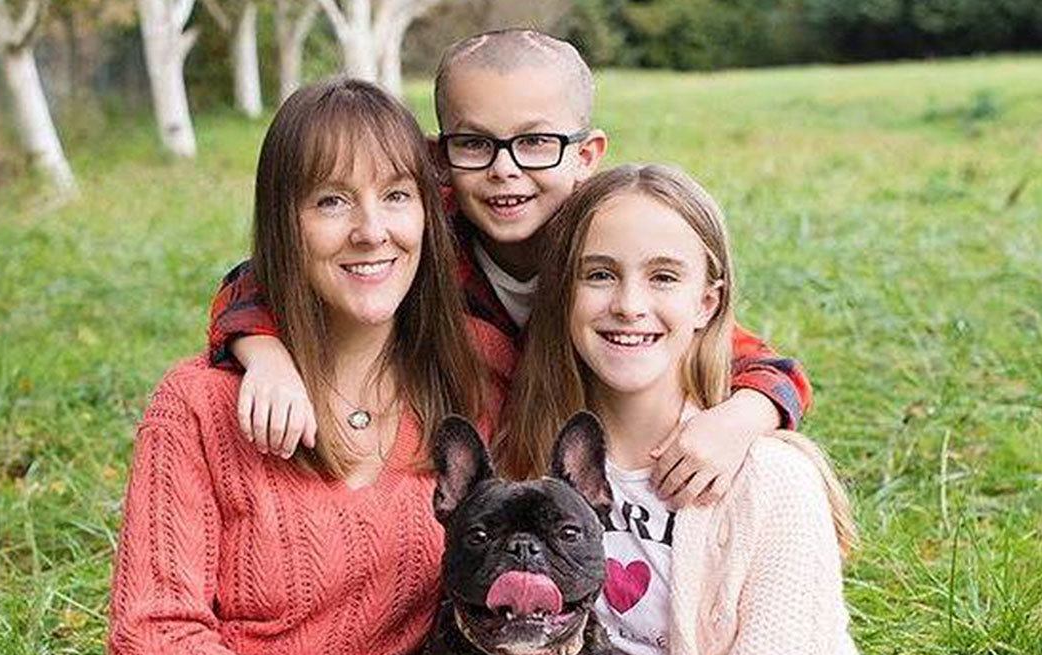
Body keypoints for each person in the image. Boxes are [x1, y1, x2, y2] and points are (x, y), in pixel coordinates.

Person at [0, 78, 508, 655]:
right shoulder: (200, 404)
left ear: (429, 216)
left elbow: (649, 330)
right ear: (284, 226)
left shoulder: (480, 389)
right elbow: (150, 642)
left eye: (397, 197)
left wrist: (744, 399)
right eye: (332, 202)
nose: (372, 231)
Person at [484, 164, 1042, 655]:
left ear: (708, 300)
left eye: (663, 278)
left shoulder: (767, 477)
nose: (629, 304)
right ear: (562, 294)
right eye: (600, 275)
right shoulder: (528, 480)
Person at [206, 29, 811, 511]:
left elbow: (759, 362)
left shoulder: (610, 247)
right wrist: (266, 354)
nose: (506, 170)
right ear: (439, 158)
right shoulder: (423, 234)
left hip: (600, 471)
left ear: (586, 155)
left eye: (536, 143)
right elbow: (263, 276)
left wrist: (740, 418)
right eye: (475, 144)